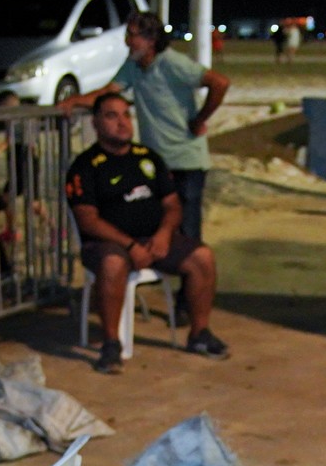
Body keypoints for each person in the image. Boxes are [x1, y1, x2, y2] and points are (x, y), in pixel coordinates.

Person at [65, 91, 231, 374]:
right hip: (108, 244)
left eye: (126, 115)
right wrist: (130, 246)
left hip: (154, 240)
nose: (122, 122)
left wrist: (164, 235)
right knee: (113, 263)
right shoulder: (85, 166)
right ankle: (111, 344)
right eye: (112, 116)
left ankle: (199, 334)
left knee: (202, 257)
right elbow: (88, 220)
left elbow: (173, 205)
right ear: (96, 123)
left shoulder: (149, 158)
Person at [64, 12, 230, 245]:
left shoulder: (171, 63)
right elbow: (108, 93)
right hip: (157, 162)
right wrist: (74, 101)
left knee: (187, 236)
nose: (127, 42)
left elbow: (220, 82)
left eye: (132, 36)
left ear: (151, 40)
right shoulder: (133, 65)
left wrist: (200, 119)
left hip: (185, 162)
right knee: (161, 230)